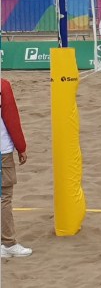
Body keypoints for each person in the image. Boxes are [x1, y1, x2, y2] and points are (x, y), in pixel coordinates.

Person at [1, 78, 32, 258]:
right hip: (2, 151)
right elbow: (11, 118)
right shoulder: (2, 86)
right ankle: (8, 243)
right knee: (5, 197)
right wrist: (21, 147)